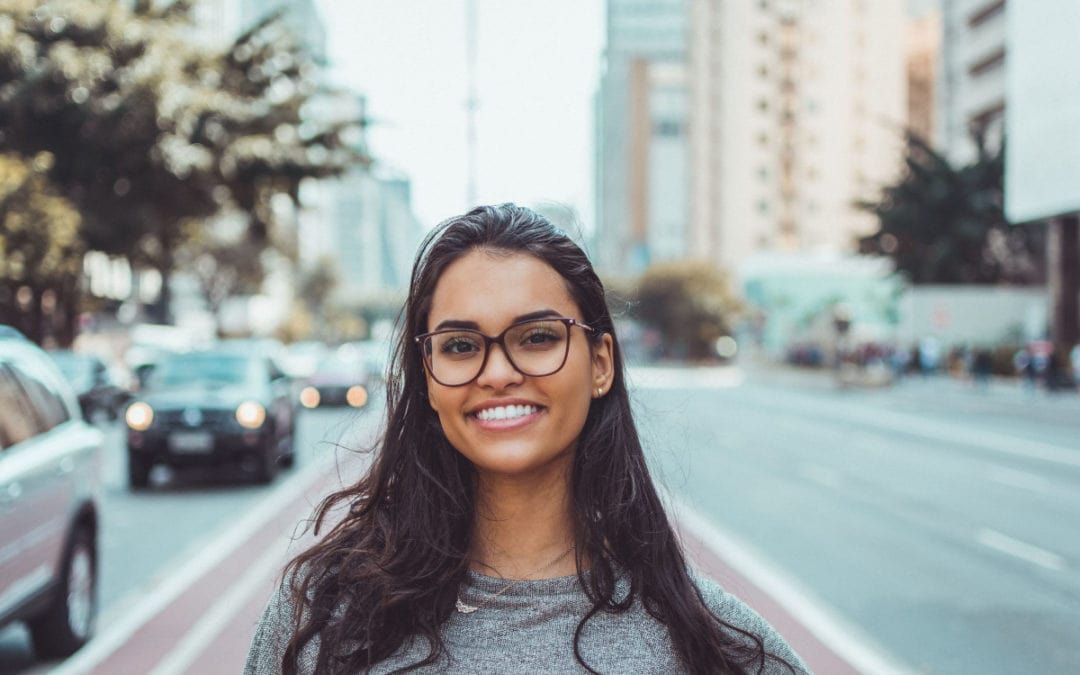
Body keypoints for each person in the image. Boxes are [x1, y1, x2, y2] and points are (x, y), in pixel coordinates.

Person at [245, 204, 808, 674]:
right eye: (461, 345)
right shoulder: (321, 618)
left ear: (601, 364)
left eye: (537, 337)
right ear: (428, 374)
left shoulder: (716, 649)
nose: (497, 373)